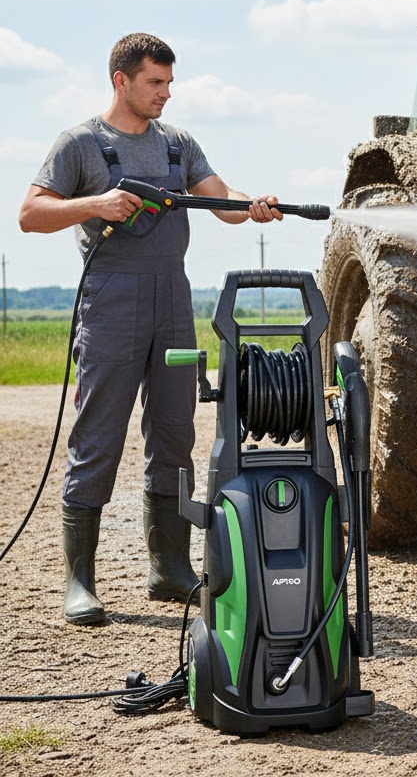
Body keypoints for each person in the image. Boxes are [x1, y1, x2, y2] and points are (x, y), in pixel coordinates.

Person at [19, 33, 283, 625]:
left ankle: (169, 568)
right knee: (98, 436)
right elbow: (30, 214)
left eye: (169, 83)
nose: (166, 93)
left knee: (173, 431)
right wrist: (94, 204)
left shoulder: (178, 145)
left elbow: (221, 200)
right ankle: (80, 582)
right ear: (121, 80)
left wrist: (252, 205)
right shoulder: (80, 144)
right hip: (110, 301)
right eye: (154, 83)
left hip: (173, 299)